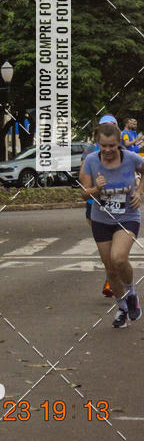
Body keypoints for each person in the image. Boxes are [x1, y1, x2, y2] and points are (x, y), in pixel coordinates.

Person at [80, 121, 143, 327]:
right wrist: (96, 189)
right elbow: (84, 193)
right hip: (101, 219)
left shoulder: (131, 158)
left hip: (127, 216)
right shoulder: (91, 161)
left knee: (119, 258)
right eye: (103, 146)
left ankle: (131, 294)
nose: (107, 150)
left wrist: (139, 192)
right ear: (98, 144)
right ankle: (122, 308)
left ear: (119, 144)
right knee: (110, 269)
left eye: (112, 146)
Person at [84, 114, 116, 297]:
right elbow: (83, 178)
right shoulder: (90, 151)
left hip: (120, 205)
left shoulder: (122, 149)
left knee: (118, 247)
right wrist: (93, 188)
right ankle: (110, 276)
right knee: (105, 247)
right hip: (95, 204)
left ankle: (111, 280)